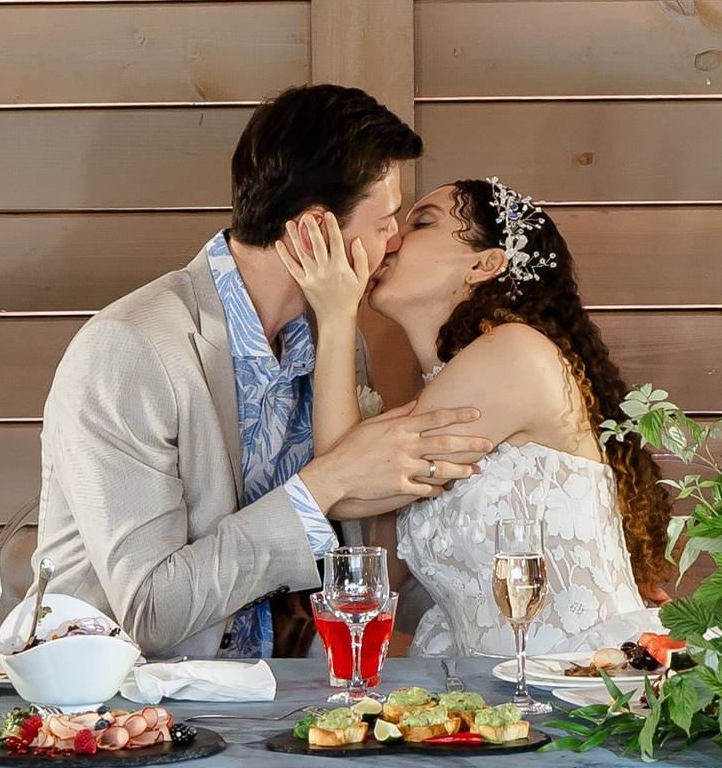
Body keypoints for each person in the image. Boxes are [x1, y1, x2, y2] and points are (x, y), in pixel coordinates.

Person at [33, 83, 488, 659]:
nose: (395, 241)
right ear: (313, 232)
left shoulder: (339, 340)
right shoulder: (130, 350)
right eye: (384, 222)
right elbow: (151, 608)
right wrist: (329, 481)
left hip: (298, 706)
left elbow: (360, 567)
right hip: (130, 712)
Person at [283, 175, 671, 671]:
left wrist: (335, 314)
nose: (392, 240)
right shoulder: (446, 394)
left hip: (578, 682)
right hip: (493, 692)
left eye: (422, 222)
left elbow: (341, 484)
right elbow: (374, 551)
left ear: (486, 263)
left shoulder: (515, 353)